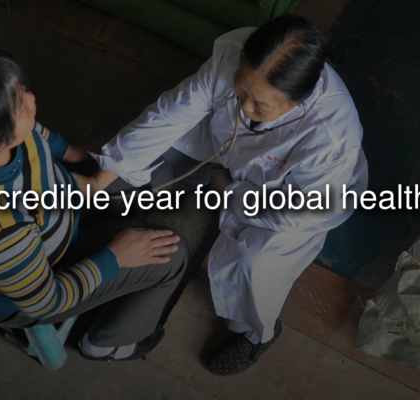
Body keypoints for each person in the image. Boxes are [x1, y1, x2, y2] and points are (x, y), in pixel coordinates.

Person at [73, 15, 369, 374]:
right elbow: (170, 114)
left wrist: (229, 191)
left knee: (255, 268)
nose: (245, 108)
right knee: (150, 151)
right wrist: (100, 180)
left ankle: (255, 334)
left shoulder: (332, 140)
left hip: (294, 197)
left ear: (298, 102)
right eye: (241, 90)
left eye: (261, 106)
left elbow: (292, 213)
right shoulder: (234, 51)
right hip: (224, 151)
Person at [0, 43, 188, 362]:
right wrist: (116, 256)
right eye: (20, 105)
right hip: (36, 285)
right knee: (172, 256)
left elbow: (33, 134)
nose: (31, 99)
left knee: (153, 172)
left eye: (21, 90)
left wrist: (69, 152)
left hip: (53, 215)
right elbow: (46, 301)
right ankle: (107, 342)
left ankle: (113, 231)